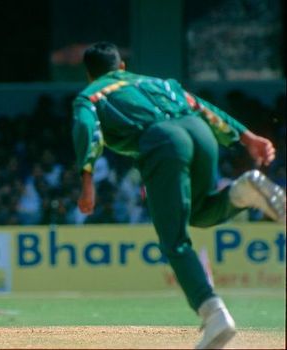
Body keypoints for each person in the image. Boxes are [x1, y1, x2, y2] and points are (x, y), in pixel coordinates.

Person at [72, 42, 285, 350]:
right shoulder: (157, 82)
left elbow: (85, 127)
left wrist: (87, 177)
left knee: (174, 240)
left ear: (89, 74)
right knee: (199, 213)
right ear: (121, 66)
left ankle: (213, 313)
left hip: (163, 144)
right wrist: (247, 137)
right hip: (200, 134)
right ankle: (241, 191)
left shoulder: (90, 94)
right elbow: (200, 105)